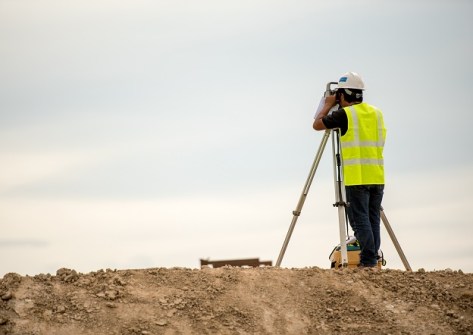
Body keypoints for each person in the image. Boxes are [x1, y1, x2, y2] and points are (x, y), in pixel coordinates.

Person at [313, 72, 386, 267]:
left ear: (343, 95)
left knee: (360, 220)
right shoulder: (376, 113)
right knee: (372, 220)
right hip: (377, 175)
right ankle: (372, 259)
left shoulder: (346, 114)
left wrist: (328, 105)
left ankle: (369, 261)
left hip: (356, 176)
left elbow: (317, 124)